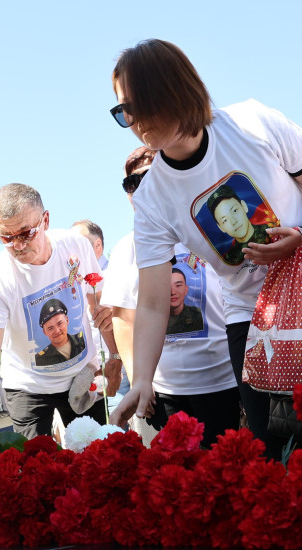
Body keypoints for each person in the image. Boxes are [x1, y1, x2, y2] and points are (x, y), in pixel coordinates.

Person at [107, 39, 302, 461]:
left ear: (175, 89)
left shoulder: (252, 123)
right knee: (278, 453)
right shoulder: (152, 199)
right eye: (123, 111)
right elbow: (150, 302)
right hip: (255, 320)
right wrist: (143, 379)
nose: (134, 121)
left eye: (139, 104)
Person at [0, 184, 122, 445]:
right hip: (28, 388)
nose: (18, 245)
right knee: (37, 464)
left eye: (26, 233)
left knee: (98, 455)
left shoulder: (76, 246)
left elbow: (100, 307)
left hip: (82, 376)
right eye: (6, 238)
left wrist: (115, 358)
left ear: (45, 220)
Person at [103, 146, 242, 445]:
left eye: (150, 176)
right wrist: (139, 380)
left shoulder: (213, 230)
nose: (141, 187)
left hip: (223, 384)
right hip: (163, 394)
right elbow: (124, 320)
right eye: (132, 183)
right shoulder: (127, 247)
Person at [35, 298, 88, 366]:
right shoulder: (40, 360)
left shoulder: (83, 340)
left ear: (67, 320)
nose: (57, 331)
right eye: (50, 328)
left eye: (59, 323)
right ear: (45, 332)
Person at [166, 268, 204, 334]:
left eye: (178, 286)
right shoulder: (152, 318)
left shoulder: (199, 315)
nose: (172, 292)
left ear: (186, 290)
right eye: (167, 286)